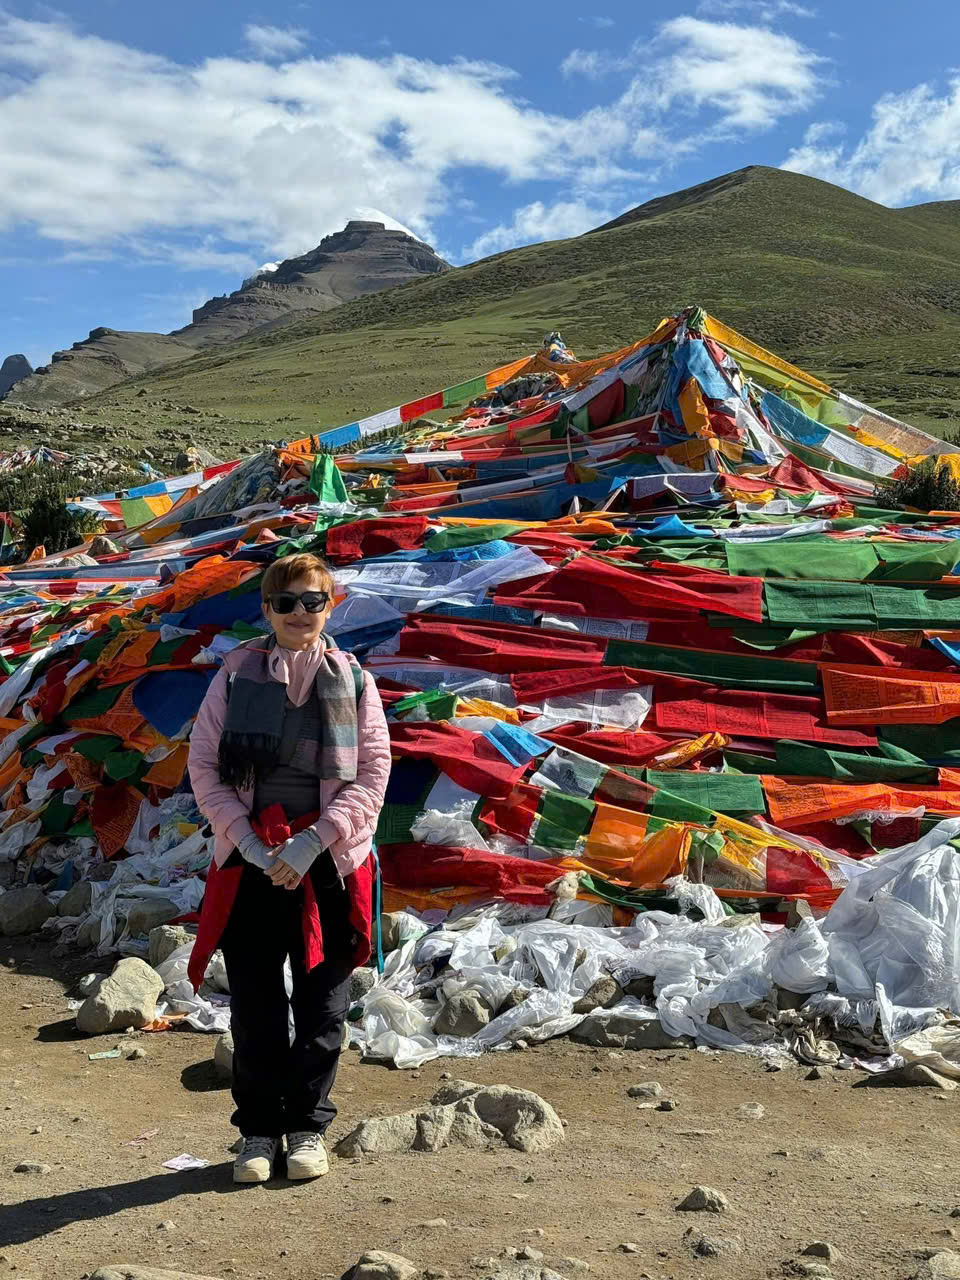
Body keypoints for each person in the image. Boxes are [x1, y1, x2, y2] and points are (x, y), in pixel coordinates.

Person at [186, 552, 391, 1184]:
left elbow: (374, 772)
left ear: (331, 607)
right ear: (267, 609)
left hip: (328, 861)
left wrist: (317, 840)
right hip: (252, 859)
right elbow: (204, 766)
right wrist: (248, 843)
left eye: (314, 601)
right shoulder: (235, 675)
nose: (300, 613)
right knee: (256, 1005)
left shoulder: (354, 679)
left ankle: (307, 1127)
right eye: (287, 602)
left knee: (324, 1003)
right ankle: (258, 1131)